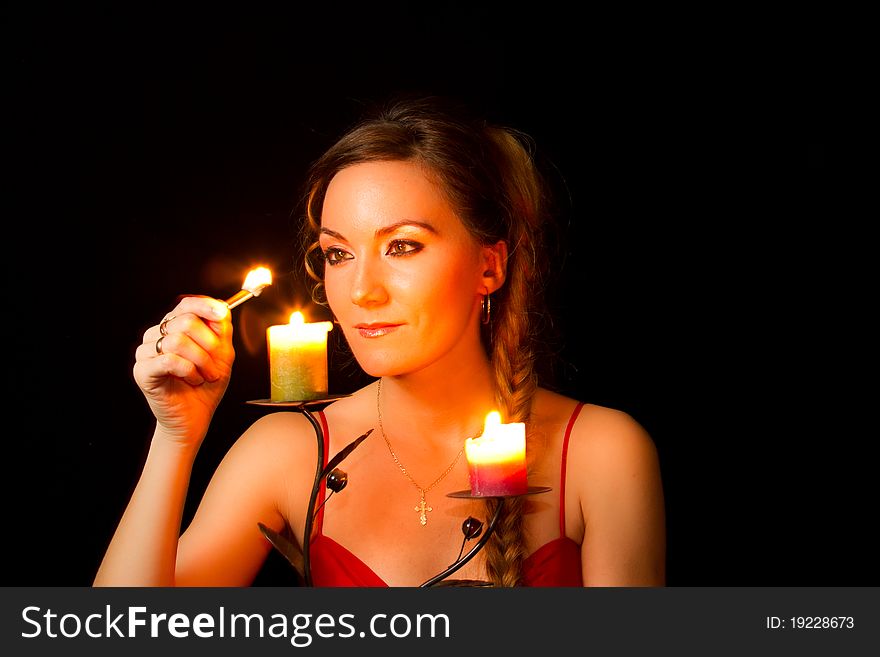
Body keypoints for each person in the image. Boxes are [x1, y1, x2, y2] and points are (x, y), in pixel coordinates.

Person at [94, 95, 665, 587]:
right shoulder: (289, 454)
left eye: (403, 246)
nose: (361, 290)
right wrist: (175, 438)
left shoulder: (599, 454)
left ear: (489, 266)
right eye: (338, 254)